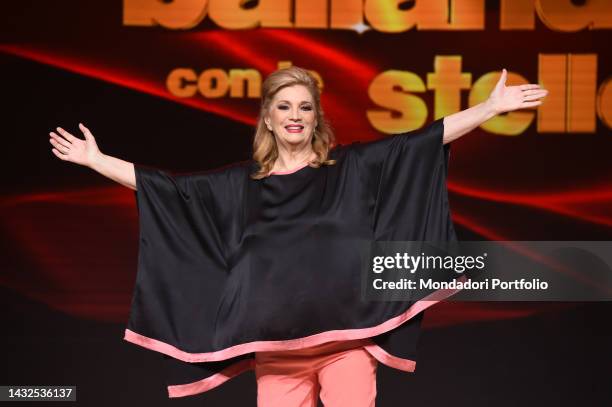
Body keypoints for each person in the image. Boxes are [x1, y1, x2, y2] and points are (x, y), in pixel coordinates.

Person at [49, 66, 547, 406]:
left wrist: (488, 108)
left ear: (315, 118)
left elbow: (422, 142)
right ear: (268, 116)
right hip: (276, 353)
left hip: (346, 343)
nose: (295, 115)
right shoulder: (238, 185)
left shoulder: (351, 168)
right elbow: (168, 190)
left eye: (305, 107)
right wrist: (97, 161)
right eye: (284, 106)